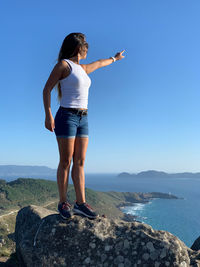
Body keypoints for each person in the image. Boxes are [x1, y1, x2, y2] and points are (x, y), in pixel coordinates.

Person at [43, 32, 125, 220]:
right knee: (66, 161)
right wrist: (48, 115)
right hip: (67, 116)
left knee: (80, 162)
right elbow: (46, 89)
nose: (88, 49)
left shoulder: (83, 68)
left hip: (83, 118)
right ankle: (63, 202)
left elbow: (99, 63)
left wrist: (115, 58)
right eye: (86, 46)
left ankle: (80, 203)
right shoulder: (64, 65)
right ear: (78, 47)